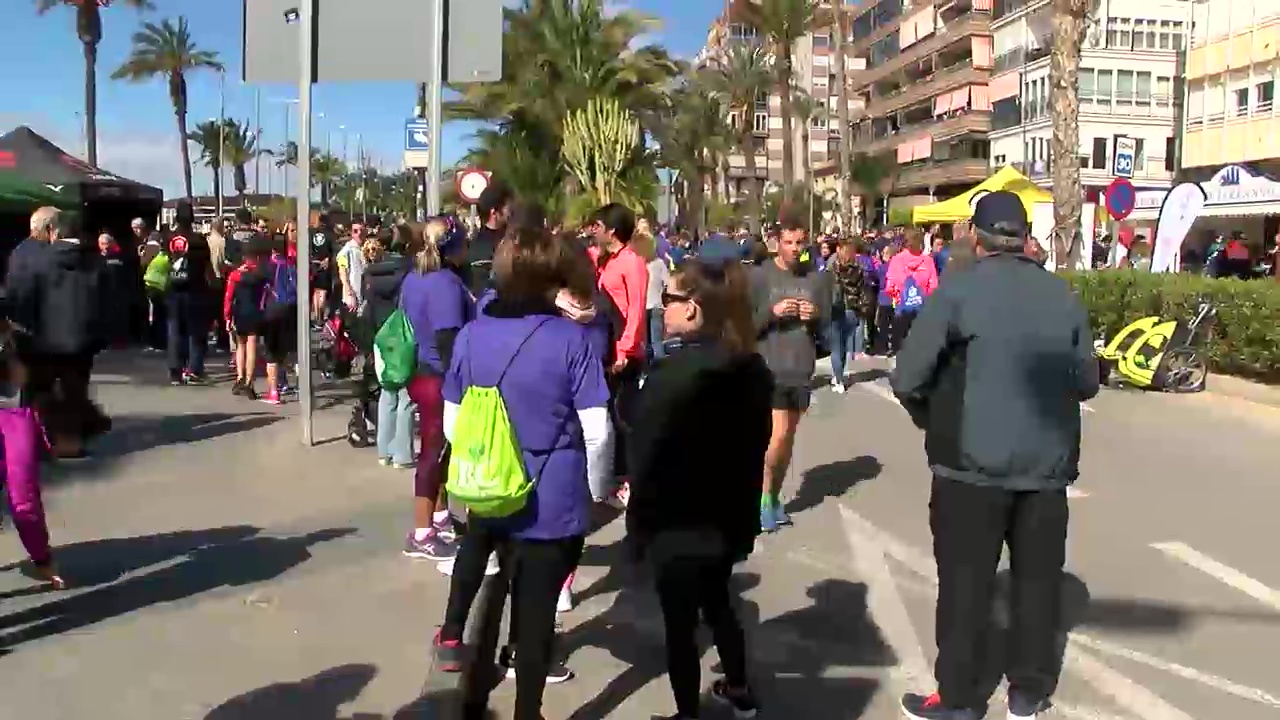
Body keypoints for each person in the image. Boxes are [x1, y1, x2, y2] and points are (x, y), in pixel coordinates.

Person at [890, 191, 1100, 720]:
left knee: (965, 588)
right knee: (1037, 586)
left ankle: (959, 698)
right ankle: (1027, 694)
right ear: (1025, 237)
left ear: (975, 237)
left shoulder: (957, 294)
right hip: (1046, 473)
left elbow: (908, 377)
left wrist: (933, 418)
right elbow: (1088, 382)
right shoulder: (1062, 296)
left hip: (969, 471)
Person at [440, 224, 612, 720]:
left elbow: (454, 424)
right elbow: (597, 429)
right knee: (536, 615)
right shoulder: (571, 339)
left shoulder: (473, 335)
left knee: (491, 592)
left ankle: (473, 697)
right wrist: (596, 491)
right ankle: (527, 711)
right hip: (552, 494)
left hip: (490, 490)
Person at [627, 256, 772, 720]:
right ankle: (739, 688)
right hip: (728, 518)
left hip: (678, 522)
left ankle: (688, 712)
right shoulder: (750, 368)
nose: (661, 308)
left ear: (691, 308)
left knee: (681, 625)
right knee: (719, 601)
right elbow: (758, 443)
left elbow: (645, 458)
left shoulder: (672, 376)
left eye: (667, 299)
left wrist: (637, 528)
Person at [749, 206, 831, 532]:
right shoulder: (759, 277)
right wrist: (772, 313)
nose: (795, 249)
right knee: (778, 435)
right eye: (789, 242)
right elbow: (746, 327)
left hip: (801, 370)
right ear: (776, 242)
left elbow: (826, 334)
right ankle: (762, 498)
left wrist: (815, 318)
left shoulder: (816, 280)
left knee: (788, 440)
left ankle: (773, 497)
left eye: (800, 243)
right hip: (769, 369)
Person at [6, 207, 111, 458]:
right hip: (81, 342)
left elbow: (22, 299)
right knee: (74, 392)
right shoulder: (96, 263)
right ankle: (70, 444)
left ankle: (32, 442)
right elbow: (106, 305)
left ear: (56, 232)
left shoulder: (38, 260)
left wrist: (24, 328)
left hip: (41, 339)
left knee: (38, 392)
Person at [400, 216, 475, 561]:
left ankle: (441, 517)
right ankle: (421, 531)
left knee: (438, 450)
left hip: (422, 372)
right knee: (433, 453)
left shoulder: (415, 278)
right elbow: (449, 340)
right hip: (440, 377)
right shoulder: (444, 284)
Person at [591, 203, 649, 508]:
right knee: (610, 416)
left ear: (612, 230)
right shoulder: (603, 260)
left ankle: (630, 480)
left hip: (625, 353)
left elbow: (637, 310)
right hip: (606, 348)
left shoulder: (632, 262)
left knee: (624, 415)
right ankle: (616, 476)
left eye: (598, 226)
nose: (593, 231)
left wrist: (625, 349)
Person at [164, 201, 216, 385]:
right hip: (196, 290)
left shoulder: (168, 239)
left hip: (174, 290)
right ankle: (194, 369)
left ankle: (175, 370)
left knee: (175, 331)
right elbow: (207, 267)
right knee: (196, 331)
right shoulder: (199, 241)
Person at [224, 234, 272, 400]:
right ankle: (249, 383)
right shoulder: (262, 274)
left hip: (239, 312)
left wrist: (227, 317)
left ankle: (239, 377)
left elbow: (229, 297)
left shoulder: (235, 275)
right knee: (252, 346)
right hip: (255, 312)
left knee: (240, 346)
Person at [827, 239, 873, 393]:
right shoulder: (859, 267)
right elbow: (863, 290)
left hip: (837, 308)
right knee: (845, 345)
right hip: (853, 310)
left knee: (836, 347)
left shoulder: (833, 267)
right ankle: (838, 376)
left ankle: (838, 379)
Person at [885, 228, 940, 353]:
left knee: (902, 344)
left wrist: (898, 298)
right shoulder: (928, 261)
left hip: (902, 309)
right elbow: (934, 287)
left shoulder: (896, 260)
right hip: (922, 309)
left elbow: (890, 287)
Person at [465, 181, 513, 296]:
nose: (510, 212)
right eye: (507, 208)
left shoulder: (471, 246)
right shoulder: (508, 244)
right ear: (494, 212)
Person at [634, 228, 670, 361]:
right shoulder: (659, 264)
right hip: (656, 305)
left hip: (641, 307)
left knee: (644, 343)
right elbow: (667, 283)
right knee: (657, 342)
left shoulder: (635, 264)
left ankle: (645, 371)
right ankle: (660, 370)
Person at [134, 217, 168, 351]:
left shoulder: (152, 243)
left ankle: (156, 341)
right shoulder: (154, 242)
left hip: (153, 284)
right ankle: (158, 340)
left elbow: (144, 262)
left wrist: (141, 256)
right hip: (160, 283)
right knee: (159, 313)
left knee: (155, 314)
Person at [336, 222, 368, 314]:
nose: (359, 233)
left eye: (361, 230)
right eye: (355, 231)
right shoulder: (346, 251)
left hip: (364, 295)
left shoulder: (366, 248)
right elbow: (342, 271)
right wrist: (349, 292)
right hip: (353, 296)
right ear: (351, 233)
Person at [310, 213, 335, 327]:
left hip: (314, 264)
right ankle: (321, 318)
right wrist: (328, 260)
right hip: (325, 265)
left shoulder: (312, 233)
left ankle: (316, 317)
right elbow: (334, 251)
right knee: (323, 292)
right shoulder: (330, 234)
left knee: (316, 292)